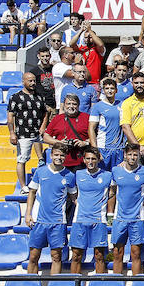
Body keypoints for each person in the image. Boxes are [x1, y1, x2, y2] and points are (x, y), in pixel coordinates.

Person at [25, 145, 77, 275]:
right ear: (51, 155)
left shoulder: (69, 176)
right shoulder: (40, 172)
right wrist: (28, 214)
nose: (59, 158)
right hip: (39, 221)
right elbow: (32, 193)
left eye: (62, 155)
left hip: (58, 222)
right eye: (56, 155)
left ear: (65, 157)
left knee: (56, 256)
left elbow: (74, 197)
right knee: (33, 256)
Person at [108, 143, 144, 275]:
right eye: (130, 154)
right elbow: (112, 192)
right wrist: (110, 214)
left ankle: (136, 285)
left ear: (139, 155)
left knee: (136, 254)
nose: (133, 157)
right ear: (124, 155)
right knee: (117, 253)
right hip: (119, 218)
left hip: (137, 219)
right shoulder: (116, 171)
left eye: (135, 154)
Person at [69, 147, 111, 274]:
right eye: (88, 158)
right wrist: (80, 204)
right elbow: (72, 194)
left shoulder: (108, 175)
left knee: (99, 256)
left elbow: (114, 192)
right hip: (80, 219)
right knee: (76, 255)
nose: (91, 161)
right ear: (84, 160)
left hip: (98, 220)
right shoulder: (77, 175)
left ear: (98, 160)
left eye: (93, 158)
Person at [7, 72, 48, 193]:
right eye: (30, 81)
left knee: (51, 153)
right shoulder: (15, 97)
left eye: (34, 81)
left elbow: (45, 113)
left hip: (38, 133)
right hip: (23, 133)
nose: (33, 83)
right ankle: (23, 186)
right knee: (22, 159)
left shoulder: (39, 96)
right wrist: (12, 133)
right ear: (23, 82)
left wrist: (43, 127)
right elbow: (10, 117)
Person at [43, 94, 90, 171]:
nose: (71, 106)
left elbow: (97, 136)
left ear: (78, 105)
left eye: (74, 104)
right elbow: (45, 137)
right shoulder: (57, 118)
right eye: (68, 104)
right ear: (64, 105)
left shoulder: (86, 117)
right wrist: (59, 142)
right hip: (61, 161)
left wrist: (85, 142)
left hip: (81, 161)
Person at [89, 78, 126, 172]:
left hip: (119, 149)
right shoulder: (97, 106)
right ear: (103, 90)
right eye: (107, 88)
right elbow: (91, 128)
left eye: (112, 88)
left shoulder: (122, 105)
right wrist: (95, 150)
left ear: (116, 90)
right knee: (103, 176)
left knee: (117, 177)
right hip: (103, 148)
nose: (109, 90)